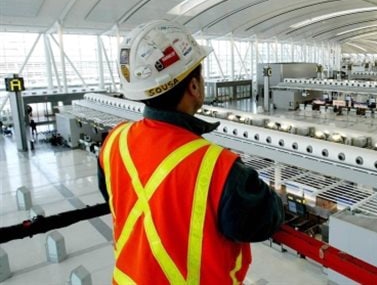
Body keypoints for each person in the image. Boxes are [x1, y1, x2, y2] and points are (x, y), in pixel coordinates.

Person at [97, 20, 283, 284]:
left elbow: (114, 195)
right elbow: (264, 219)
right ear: (193, 87)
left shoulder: (114, 141)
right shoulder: (219, 167)